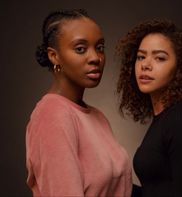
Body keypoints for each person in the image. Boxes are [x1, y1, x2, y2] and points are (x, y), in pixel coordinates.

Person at [25, 9, 132, 197]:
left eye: (99, 47)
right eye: (80, 49)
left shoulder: (98, 117)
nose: (95, 58)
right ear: (54, 56)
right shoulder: (51, 115)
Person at [116, 18, 182, 197]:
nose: (145, 65)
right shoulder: (164, 118)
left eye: (159, 58)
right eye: (141, 57)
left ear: (179, 68)